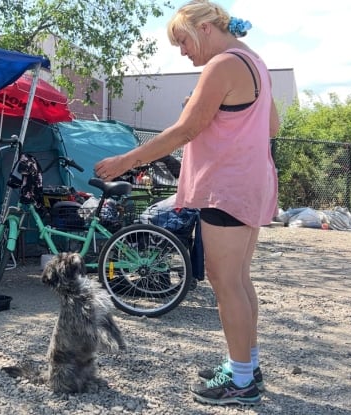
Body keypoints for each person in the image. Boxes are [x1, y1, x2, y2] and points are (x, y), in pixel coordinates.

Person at [94, 0, 279, 406]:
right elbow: (271, 124)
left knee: (224, 282)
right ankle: (246, 365)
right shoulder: (255, 62)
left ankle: (242, 382)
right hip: (250, 182)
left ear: (205, 28)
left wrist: (127, 159)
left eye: (183, 41)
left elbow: (184, 131)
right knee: (239, 280)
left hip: (227, 186)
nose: (183, 51)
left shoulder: (223, 64)